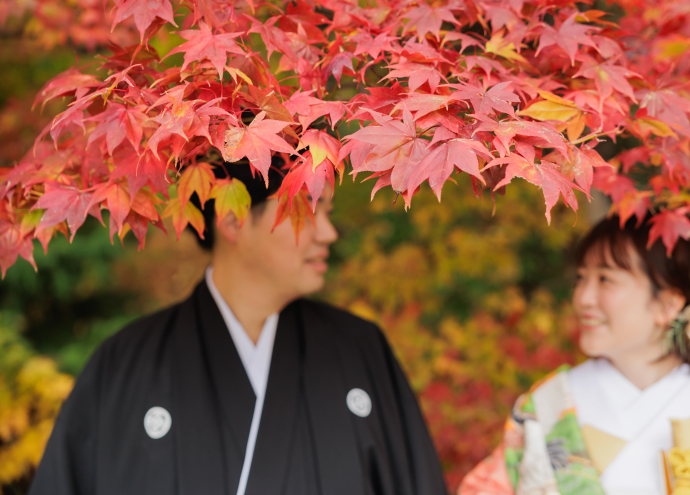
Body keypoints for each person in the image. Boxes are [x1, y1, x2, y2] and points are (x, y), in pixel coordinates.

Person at [30, 158, 447, 495]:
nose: (329, 233)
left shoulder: (359, 349)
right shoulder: (123, 365)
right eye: (307, 211)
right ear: (233, 221)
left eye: (328, 212)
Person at [459, 215, 690, 495]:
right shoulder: (547, 405)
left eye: (605, 279)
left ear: (668, 304)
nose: (583, 298)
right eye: (581, 278)